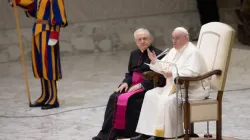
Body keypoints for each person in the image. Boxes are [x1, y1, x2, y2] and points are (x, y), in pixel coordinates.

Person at [130, 27, 210, 140]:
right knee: (150, 95)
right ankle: (146, 133)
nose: (174, 41)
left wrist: (171, 73)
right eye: (172, 38)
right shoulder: (173, 51)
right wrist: (155, 61)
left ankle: (161, 135)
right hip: (172, 87)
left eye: (177, 38)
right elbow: (164, 66)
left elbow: (192, 73)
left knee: (166, 101)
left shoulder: (193, 52)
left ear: (185, 38)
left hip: (190, 89)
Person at [92, 28, 165, 140]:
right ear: (136, 42)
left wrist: (142, 85)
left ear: (150, 39)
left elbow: (160, 76)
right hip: (133, 85)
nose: (142, 41)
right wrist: (125, 82)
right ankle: (109, 134)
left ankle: (132, 133)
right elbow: (131, 73)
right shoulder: (134, 53)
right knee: (114, 97)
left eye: (145, 38)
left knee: (131, 101)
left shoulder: (159, 54)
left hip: (149, 86)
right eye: (139, 39)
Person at [10, 0, 68, 109]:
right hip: (38, 30)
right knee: (41, 65)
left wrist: (55, 34)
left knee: (49, 64)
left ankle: (53, 98)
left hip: (48, 31)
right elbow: (32, 9)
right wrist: (19, 2)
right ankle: (45, 95)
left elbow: (58, 13)